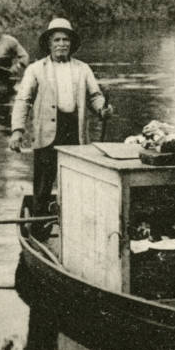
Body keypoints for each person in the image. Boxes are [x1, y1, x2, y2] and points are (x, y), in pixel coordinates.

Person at [9, 18, 110, 218]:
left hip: (75, 133)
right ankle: (39, 228)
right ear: (49, 43)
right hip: (46, 135)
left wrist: (102, 109)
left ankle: (73, 225)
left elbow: (95, 96)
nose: (61, 44)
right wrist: (17, 131)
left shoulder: (82, 68)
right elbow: (23, 100)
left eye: (65, 40)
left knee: (77, 183)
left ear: (71, 43)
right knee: (43, 185)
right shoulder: (36, 69)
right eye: (57, 40)